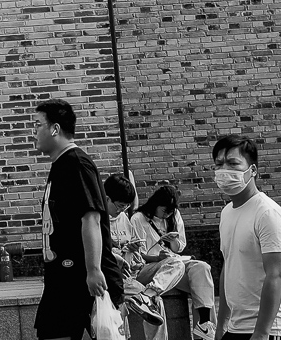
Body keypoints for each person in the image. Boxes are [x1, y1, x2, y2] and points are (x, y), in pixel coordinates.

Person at [33, 99, 125, 340]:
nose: (34, 132)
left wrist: (94, 270)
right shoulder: (61, 165)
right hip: (63, 277)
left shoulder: (77, 164)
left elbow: (91, 219)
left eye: (38, 125)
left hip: (80, 278)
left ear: (55, 128)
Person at [212, 135, 281, 340]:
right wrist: (222, 323)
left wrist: (261, 332)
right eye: (219, 164)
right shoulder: (227, 212)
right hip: (237, 327)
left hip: (271, 330)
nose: (225, 170)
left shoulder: (267, 213)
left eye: (233, 163)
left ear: (252, 170)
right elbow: (229, 266)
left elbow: (275, 275)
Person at [133, 186, 216, 340]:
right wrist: (157, 258)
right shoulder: (138, 218)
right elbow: (137, 255)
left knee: (202, 268)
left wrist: (173, 240)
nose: (167, 215)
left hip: (174, 264)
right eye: (165, 211)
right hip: (152, 267)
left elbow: (179, 248)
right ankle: (148, 294)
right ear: (155, 204)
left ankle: (204, 325)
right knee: (174, 263)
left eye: (171, 212)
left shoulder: (174, 215)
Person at [100, 174, 165, 329]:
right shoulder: (97, 219)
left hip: (131, 275)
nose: (121, 210)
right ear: (107, 199)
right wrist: (120, 252)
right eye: (120, 205)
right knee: (121, 305)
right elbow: (99, 252)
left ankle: (146, 296)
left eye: (126, 207)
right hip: (111, 278)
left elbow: (137, 254)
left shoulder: (124, 218)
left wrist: (133, 251)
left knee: (156, 302)